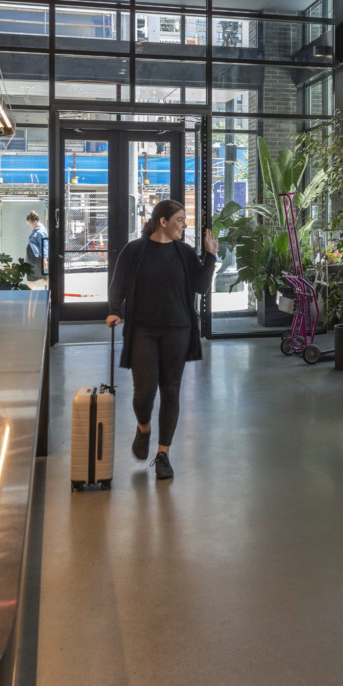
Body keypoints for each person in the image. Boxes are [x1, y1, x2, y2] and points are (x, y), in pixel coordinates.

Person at [106, 200, 218, 481]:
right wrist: (113, 311)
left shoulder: (184, 253)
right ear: (163, 222)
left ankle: (163, 454)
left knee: (171, 389)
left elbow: (200, 287)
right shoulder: (135, 251)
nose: (185, 225)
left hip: (178, 329)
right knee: (144, 393)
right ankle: (143, 427)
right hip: (142, 329)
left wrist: (211, 257)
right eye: (180, 220)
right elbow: (118, 284)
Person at [25, 210, 49, 284]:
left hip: (36, 261)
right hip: (33, 260)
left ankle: (53, 291)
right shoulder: (37, 231)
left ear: (34, 222)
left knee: (34, 279)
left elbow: (44, 245)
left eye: (29, 224)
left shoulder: (40, 232)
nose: (29, 226)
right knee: (36, 279)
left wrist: (44, 260)